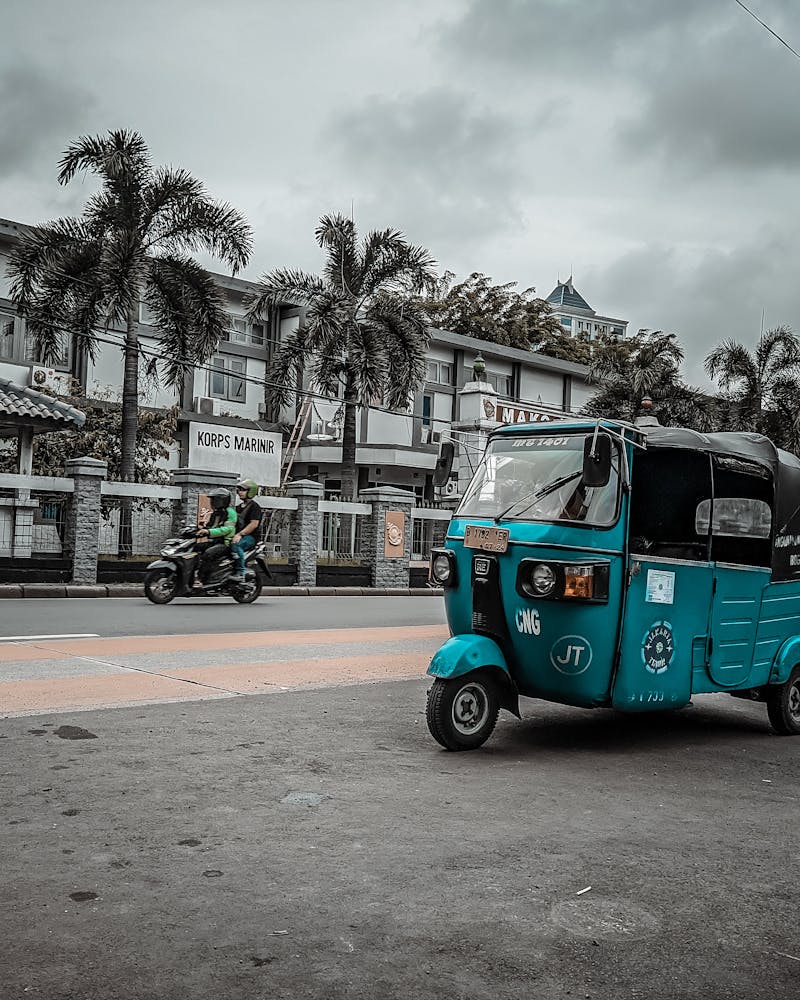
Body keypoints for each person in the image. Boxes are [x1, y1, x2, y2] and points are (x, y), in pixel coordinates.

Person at [195, 488, 237, 584]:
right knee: (194, 548)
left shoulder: (230, 513)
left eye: (215, 500)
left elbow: (228, 529)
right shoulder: (216, 513)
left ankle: (201, 579)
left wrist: (209, 532)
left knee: (208, 554)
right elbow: (209, 526)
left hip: (226, 543)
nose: (212, 502)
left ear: (223, 500)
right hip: (215, 541)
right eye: (212, 500)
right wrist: (198, 529)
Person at [231, 479, 263, 580]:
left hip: (250, 537)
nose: (240, 492)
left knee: (236, 545)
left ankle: (241, 572)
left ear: (251, 491)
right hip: (237, 535)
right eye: (239, 490)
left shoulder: (255, 507)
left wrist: (240, 534)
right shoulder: (238, 507)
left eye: (243, 490)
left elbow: (253, 524)